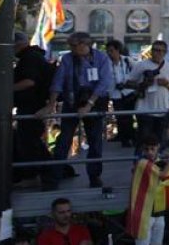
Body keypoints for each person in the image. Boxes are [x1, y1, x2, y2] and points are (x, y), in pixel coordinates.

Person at [42, 31, 113, 189]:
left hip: (94, 103)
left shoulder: (101, 58)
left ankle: (94, 177)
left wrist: (89, 104)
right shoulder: (67, 58)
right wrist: (51, 103)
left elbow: (104, 82)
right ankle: (54, 178)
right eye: (70, 46)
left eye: (74, 45)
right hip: (71, 102)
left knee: (95, 142)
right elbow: (58, 81)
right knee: (63, 140)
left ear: (84, 45)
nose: (72, 48)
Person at [12, 31, 52, 181]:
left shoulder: (30, 58)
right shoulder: (32, 57)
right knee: (30, 141)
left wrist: (6, 89)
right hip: (31, 105)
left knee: (29, 142)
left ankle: (38, 175)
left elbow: (30, 81)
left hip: (32, 106)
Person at [127, 39, 169, 153]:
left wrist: (167, 84)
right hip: (144, 110)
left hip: (163, 110)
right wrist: (143, 84)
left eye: (161, 51)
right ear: (151, 51)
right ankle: (139, 166)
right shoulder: (141, 65)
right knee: (143, 142)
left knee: (160, 143)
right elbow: (128, 82)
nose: (158, 53)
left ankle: (156, 167)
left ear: (165, 53)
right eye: (155, 50)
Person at [105, 38, 137, 147]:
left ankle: (129, 137)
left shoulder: (128, 61)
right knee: (120, 116)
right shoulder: (106, 64)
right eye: (108, 51)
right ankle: (123, 137)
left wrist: (127, 82)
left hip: (129, 93)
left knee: (128, 117)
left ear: (118, 50)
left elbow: (137, 74)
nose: (110, 53)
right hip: (115, 94)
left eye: (112, 51)